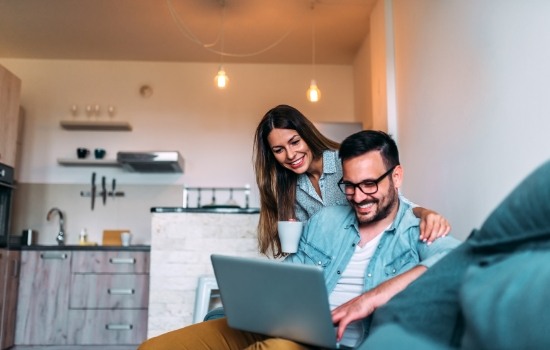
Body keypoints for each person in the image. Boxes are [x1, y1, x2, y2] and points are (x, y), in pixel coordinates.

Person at [138, 130, 461, 350]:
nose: (358, 197)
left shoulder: (419, 228)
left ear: (396, 176)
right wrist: (247, 305)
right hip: (284, 326)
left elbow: (461, 260)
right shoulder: (325, 221)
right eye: (349, 186)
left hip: (331, 342)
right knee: (155, 347)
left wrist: (371, 297)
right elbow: (291, 279)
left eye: (369, 184)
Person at [254, 104, 451, 258]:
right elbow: (305, 244)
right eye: (279, 150)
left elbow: (393, 202)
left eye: (295, 142)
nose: (290, 155)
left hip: (369, 253)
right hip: (332, 266)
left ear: (306, 135)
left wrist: (426, 213)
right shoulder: (291, 187)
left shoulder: (344, 163)